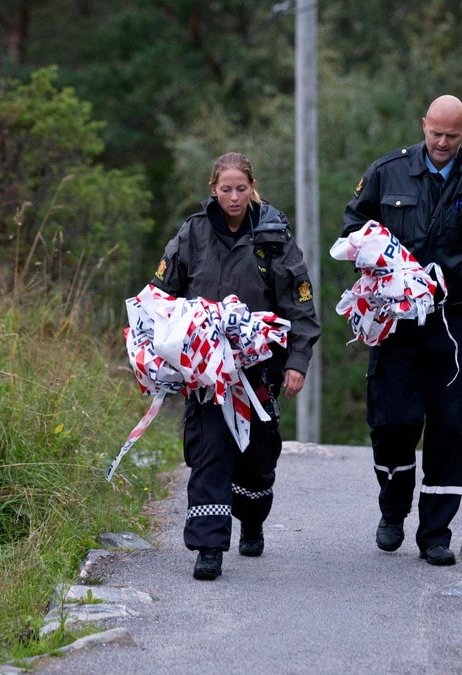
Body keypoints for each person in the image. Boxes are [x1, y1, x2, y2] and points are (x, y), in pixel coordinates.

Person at [341, 95, 462, 566]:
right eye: (435, 133)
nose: (442, 143)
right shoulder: (388, 172)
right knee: (393, 420)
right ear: (423, 125)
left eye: (452, 136)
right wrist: (377, 266)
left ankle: (436, 534)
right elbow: (354, 228)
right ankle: (392, 509)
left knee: (451, 421)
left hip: (452, 318)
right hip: (397, 319)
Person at [150, 152, 321, 580]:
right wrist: (152, 351)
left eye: (241, 188)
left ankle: (253, 517)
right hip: (206, 371)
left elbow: (301, 305)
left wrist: (297, 362)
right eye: (225, 189)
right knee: (209, 451)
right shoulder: (193, 234)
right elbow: (160, 296)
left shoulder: (274, 237)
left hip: (259, 371)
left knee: (258, 458)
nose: (233, 197)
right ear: (213, 188)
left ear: (252, 187)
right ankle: (209, 547)